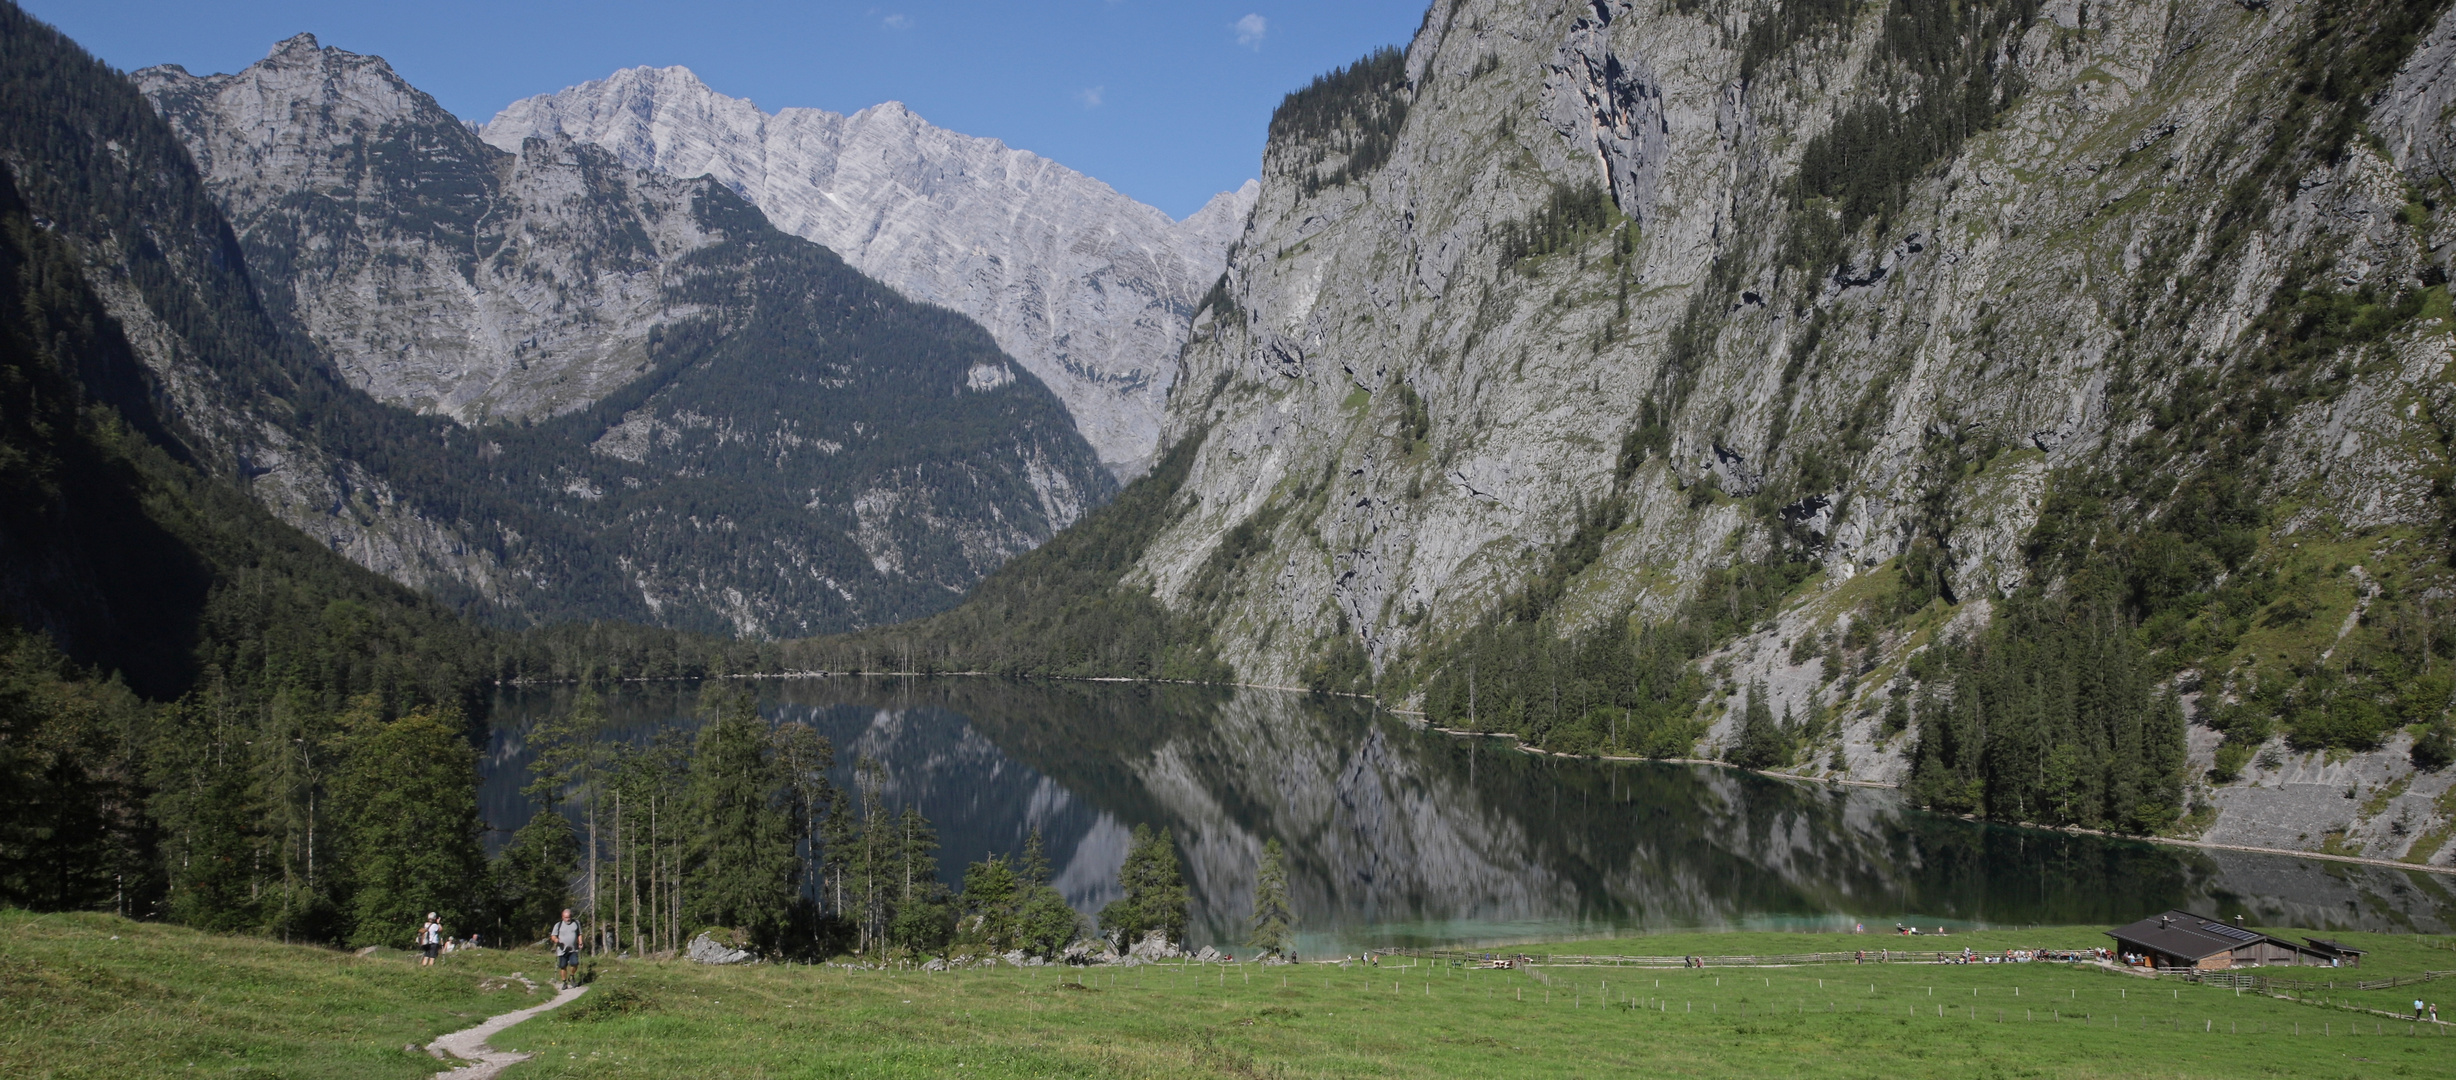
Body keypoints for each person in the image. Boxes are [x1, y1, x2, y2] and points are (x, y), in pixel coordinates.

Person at [551, 909, 582, 990]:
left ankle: (571, 977)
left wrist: (580, 942)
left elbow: (579, 934)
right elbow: (553, 936)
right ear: (562, 917)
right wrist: (556, 940)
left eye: (569, 917)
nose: (568, 919)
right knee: (563, 966)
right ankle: (564, 982)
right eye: (566, 917)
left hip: (573, 949)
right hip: (562, 950)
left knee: (575, 963)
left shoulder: (576, 923)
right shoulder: (558, 925)